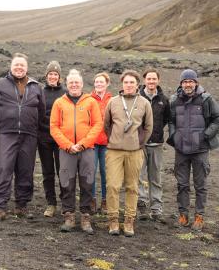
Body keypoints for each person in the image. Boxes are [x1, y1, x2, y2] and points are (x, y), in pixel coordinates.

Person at [0, 53, 46, 221]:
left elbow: (41, 111)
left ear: (27, 68)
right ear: (11, 67)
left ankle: (22, 205)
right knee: (4, 168)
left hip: (29, 135)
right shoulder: (0, 84)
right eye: (16, 65)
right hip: (7, 133)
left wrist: (30, 125)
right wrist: (4, 125)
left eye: (22, 65)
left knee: (26, 170)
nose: (19, 68)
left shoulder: (35, 86)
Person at [167, 69, 219, 231]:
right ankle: (183, 215)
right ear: (181, 84)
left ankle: (199, 216)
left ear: (196, 83)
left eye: (191, 81)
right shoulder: (174, 100)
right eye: (185, 82)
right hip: (181, 150)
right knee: (182, 184)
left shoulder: (206, 99)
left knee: (200, 185)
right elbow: (171, 120)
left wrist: (206, 135)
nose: (188, 84)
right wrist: (173, 136)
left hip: (200, 150)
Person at [50, 69, 103, 234]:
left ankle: (86, 217)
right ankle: (69, 215)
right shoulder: (59, 103)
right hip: (66, 151)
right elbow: (54, 127)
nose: (74, 85)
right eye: (71, 82)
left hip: (86, 150)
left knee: (87, 182)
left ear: (81, 84)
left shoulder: (90, 102)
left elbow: (98, 124)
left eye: (77, 82)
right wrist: (67, 145)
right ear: (67, 84)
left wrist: (83, 143)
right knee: (67, 182)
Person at [104, 70, 153, 236]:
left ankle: (129, 221)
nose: (129, 85)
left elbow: (148, 127)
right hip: (114, 152)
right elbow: (106, 125)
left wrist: (139, 143)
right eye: (126, 82)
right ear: (122, 84)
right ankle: (113, 220)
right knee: (113, 186)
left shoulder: (145, 103)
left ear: (137, 84)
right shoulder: (113, 102)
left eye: (132, 82)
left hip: (135, 152)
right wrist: (113, 139)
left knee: (132, 187)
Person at [137, 68, 171, 222]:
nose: (151, 81)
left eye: (154, 79)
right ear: (144, 80)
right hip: (140, 144)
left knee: (155, 177)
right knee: (138, 175)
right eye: (149, 79)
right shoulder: (137, 97)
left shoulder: (164, 100)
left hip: (156, 144)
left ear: (158, 80)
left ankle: (156, 208)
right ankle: (142, 205)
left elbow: (166, 119)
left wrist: (156, 132)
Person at [38, 61, 66, 217]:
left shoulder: (65, 93)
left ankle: (65, 202)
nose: (53, 77)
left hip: (61, 139)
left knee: (63, 171)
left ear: (59, 77)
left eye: (55, 74)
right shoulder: (40, 92)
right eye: (50, 74)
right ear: (46, 76)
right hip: (44, 138)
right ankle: (51, 203)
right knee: (47, 172)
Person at [90, 72, 112, 214]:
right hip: (92, 141)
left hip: (107, 142)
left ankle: (105, 201)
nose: (99, 84)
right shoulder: (88, 99)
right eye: (97, 82)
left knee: (106, 172)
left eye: (101, 82)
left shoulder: (113, 99)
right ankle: (91, 200)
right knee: (91, 171)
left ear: (107, 83)